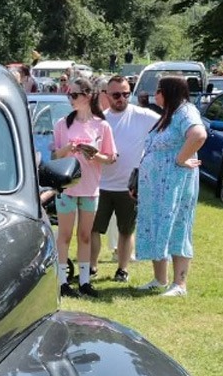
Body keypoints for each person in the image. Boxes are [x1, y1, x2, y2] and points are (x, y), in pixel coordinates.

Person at [135, 76, 207, 297]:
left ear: (170, 92)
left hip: (174, 184)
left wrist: (180, 159)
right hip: (157, 187)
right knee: (158, 226)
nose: (155, 95)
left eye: (159, 90)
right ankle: (159, 279)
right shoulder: (170, 114)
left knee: (177, 226)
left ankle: (180, 284)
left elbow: (198, 134)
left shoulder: (186, 112)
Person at [50, 76, 117, 298]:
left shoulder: (102, 125)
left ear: (88, 96)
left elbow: (110, 157)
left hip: (90, 187)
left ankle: (85, 281)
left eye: (75, 95)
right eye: (69, 94)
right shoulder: (63, 124)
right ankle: (61, 282)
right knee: (65, 235)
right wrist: (68, 148)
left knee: (86, 235)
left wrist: (93, 153)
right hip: (67, 187)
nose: (71, 99)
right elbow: (54, 155)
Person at [90, 74, 157, 284]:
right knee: (93, 229)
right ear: (106, 95)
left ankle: (122, 269)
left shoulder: (143, 115)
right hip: (100, 184)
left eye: (126, 94)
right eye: (116, 94)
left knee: (126, 231)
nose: (121, 98)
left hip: (129, 187)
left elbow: (170, 128)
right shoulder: (100, 119)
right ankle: (91, 267)